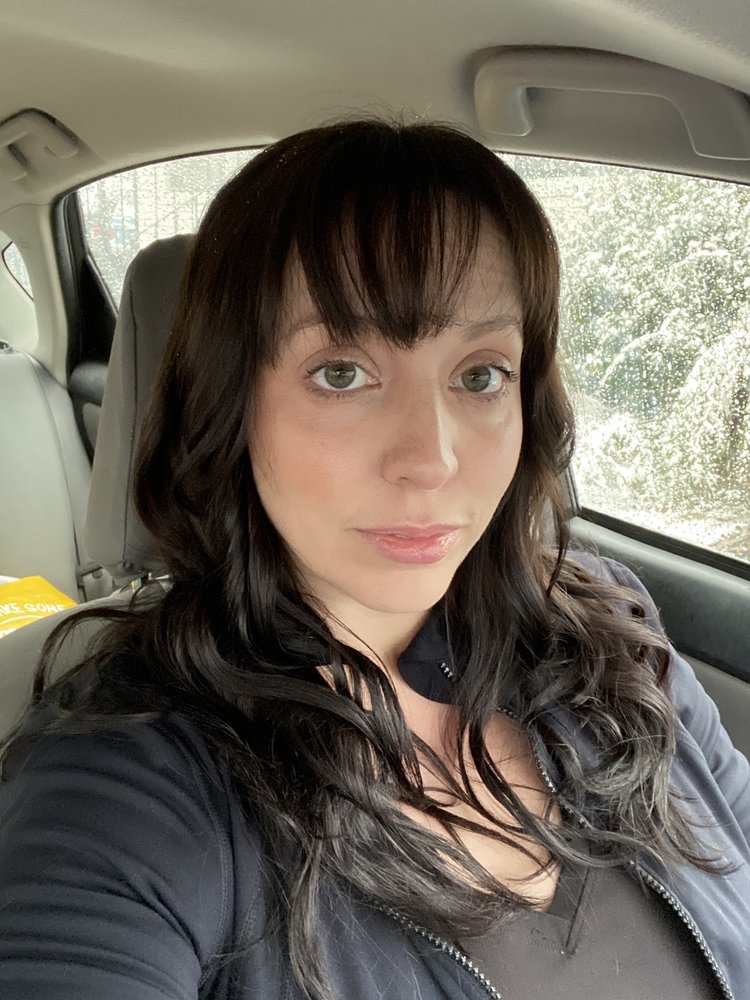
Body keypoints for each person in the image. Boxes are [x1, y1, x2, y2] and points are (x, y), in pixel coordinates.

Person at [0, 118, 748, 1000]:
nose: (431, 460)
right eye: (342, 372)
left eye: (480, 375)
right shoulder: (131, 779)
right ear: (230, 403)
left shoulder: (610, 636)